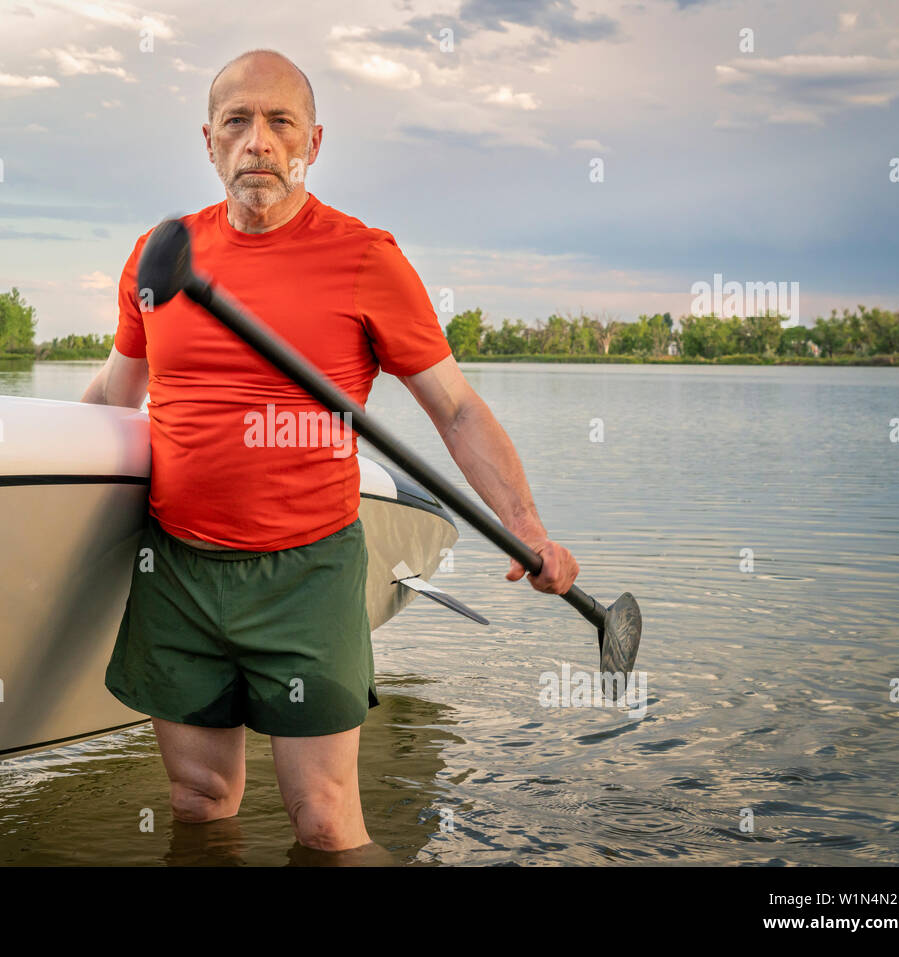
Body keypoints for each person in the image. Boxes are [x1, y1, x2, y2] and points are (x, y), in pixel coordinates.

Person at [82, 49, 579, 855]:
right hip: (174, 568)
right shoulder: (158, 257)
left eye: (281, 122)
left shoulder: (364, 257)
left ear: (314, 139)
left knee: (323, 816)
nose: (259, 141)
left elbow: (453, 406)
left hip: (308, 572)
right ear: (208, 139)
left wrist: (525, 522)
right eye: (238, 121)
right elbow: (113, 396)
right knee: (199, 799)